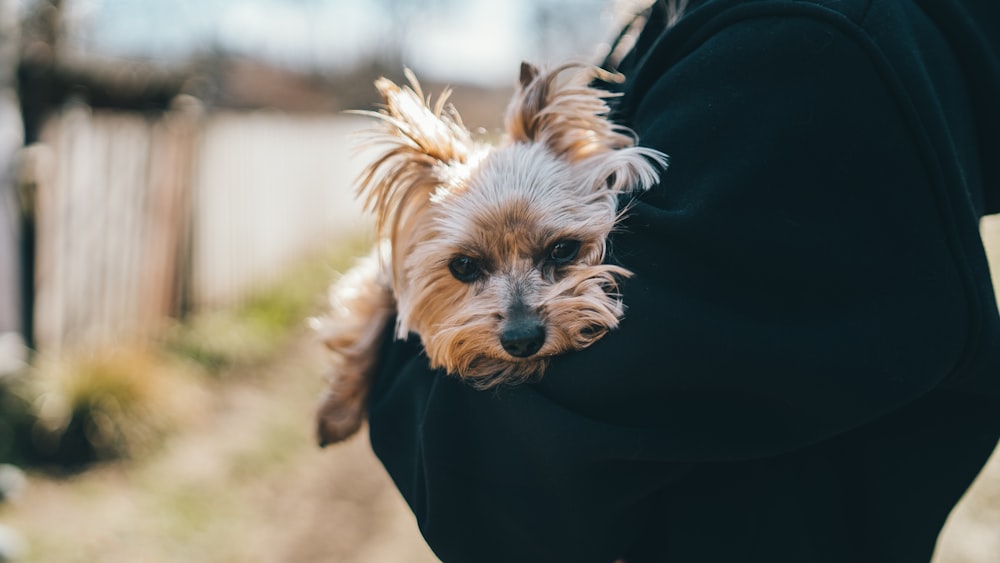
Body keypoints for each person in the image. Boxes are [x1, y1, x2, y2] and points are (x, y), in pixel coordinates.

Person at [365, 0, 1000, 561]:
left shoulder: (798, 54)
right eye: (470, 268)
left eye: (562, 252)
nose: (521, 316)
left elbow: (490, 495)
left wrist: (382, 363)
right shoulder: (671, 28)